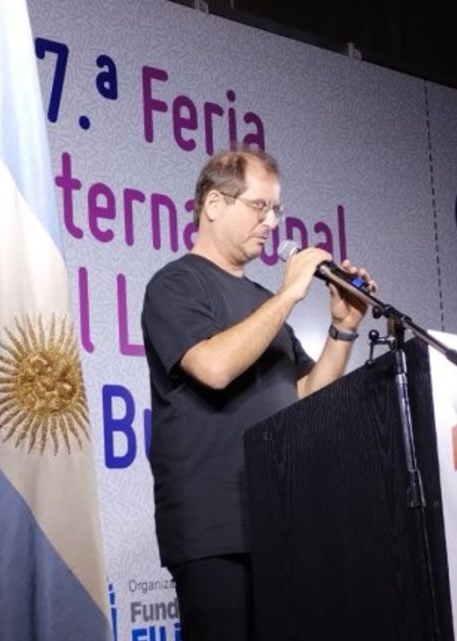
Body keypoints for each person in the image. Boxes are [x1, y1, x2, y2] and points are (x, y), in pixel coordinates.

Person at [140, 147, 376, 641]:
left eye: (276, 210)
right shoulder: (175, 284)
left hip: (280, 522)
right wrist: (291, 294)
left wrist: (342, 329)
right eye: (259, 207)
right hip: (214, 532)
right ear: (213, 205)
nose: (271, 223)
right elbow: (215, 367)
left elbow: (307, 397)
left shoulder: (264, 304)